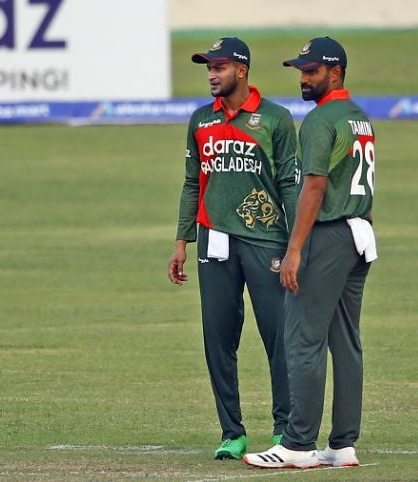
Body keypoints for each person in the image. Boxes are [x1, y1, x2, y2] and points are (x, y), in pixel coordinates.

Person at [243, 36, 377, 469]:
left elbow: (315, 187)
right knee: (346, 341)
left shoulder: (321, 120)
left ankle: (298, 445)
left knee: (302, 339)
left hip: (329, 235)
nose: (303, 78)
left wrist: (295, 248)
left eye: (312, 71)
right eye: (301, 71)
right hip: (360, 233)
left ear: (335, 73)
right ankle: (342, 445)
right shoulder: (358, 117)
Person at [168, 37, 299, 460]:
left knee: (278, 336)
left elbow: (290, 185)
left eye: (219, 66)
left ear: (241, 71)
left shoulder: (276, 119)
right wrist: (181, 241)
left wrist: (299, 243)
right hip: (214, 239)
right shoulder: (200, 120)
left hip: (266, 240)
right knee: (218, 339)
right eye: (208, 67)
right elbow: (193, 181)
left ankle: (285, 430)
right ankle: (232, 433)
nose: (211, 74)